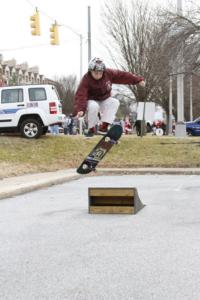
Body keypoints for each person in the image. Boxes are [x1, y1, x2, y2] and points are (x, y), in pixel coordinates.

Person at [74, 57, 145, 137]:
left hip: (104, 99)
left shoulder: (109, 73)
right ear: (90, 71)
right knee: (94, 106)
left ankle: (103, 128)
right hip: (91, 100)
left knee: (115, 102)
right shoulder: (86, 79)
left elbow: (123, 76)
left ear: (103, 71)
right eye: (95, 73)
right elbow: (81, 95)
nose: (98, 75)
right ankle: (91, 129)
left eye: (100, 73)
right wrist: (80, 109)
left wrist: (138, 80)